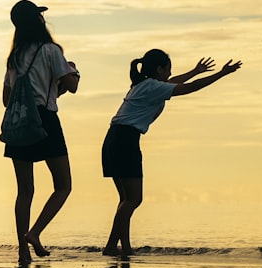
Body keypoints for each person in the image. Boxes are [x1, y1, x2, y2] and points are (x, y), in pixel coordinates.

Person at [101, 49, 242, 257]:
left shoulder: (144, 85)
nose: (169, 74)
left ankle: (122, 247)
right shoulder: (152, 87)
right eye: (168, 70)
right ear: (159, 69)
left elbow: (174, 82)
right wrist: (221, 74)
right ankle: (112, 246)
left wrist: (195, 71)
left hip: (115, 139)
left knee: (126, 199)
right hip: (125, 141)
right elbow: (189, 88)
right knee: (133, 200)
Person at [2, 0, 80, 263]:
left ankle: (23, 253)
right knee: (63, 185)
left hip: (19, 122)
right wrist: (73, 71)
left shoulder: (14, 57)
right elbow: (71, 86)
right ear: (37, 20)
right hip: (45, 121)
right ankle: (34, 232)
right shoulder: (50, 50)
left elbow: (6, 99)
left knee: (25, 191)